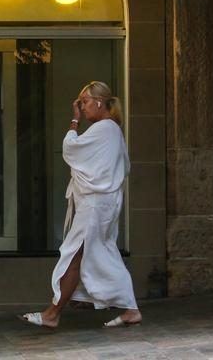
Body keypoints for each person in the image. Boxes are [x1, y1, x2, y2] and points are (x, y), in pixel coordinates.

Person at [19, 81, 142, 328]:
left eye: (84, 102)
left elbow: (71, 148)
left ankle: (52, 314)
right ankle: (130, 310)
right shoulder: (112, 130)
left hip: (95, 206)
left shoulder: (104, 129)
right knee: (102, 254)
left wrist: (74, 122)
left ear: (99, 102)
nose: (82, 108)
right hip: (102, 205)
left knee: (74, 254)